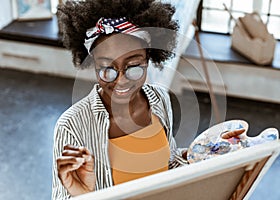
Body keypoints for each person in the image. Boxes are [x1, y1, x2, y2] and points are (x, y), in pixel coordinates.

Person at [52, 0, 187, 199]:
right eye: (107, 68)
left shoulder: (160, 100)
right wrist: (84, 194)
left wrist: (202, 157)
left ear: (147, 60)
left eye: (133, 67)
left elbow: (169, 163)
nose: (121, 81)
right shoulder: (72, 125)